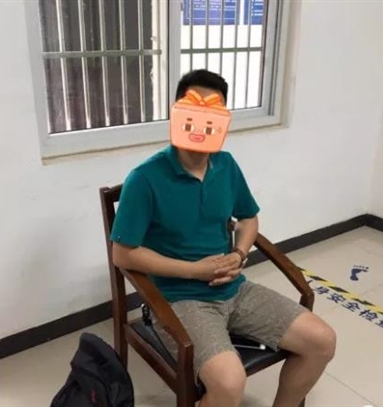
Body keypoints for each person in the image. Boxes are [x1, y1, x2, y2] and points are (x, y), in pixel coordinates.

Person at [110, 69, 336, 407]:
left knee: (322, 341)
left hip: (235, 289)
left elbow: (248, 217)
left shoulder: (226, 166)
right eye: (193, 109)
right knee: (230, 384)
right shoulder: (144, 179)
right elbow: (123, 254)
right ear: (177, 113)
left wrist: (240, 253)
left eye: (212, 113)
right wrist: (194, 271)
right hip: (179, 299)